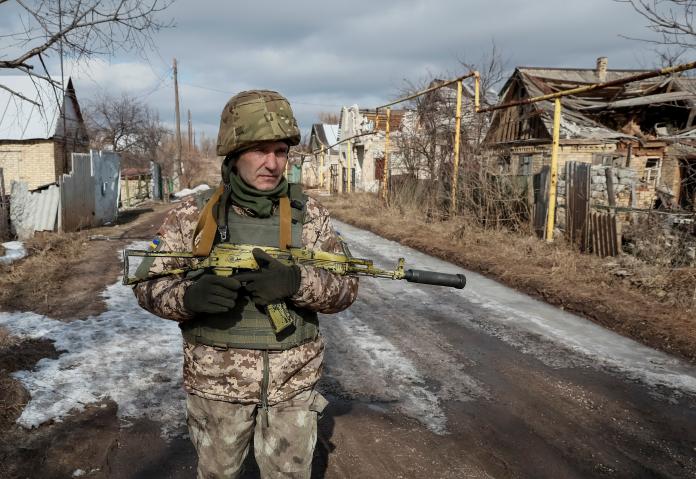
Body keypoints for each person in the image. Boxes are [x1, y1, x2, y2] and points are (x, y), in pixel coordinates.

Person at [132, 90, 358, 479]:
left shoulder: (309, 213)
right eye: (259, 150)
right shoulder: (194, 214)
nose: (272, 163)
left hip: (293, 385)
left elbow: (347, 286)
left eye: (281, 151)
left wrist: (296, 281)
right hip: (215, 388)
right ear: (235, 153)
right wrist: (188, 297)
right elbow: (147, 283)